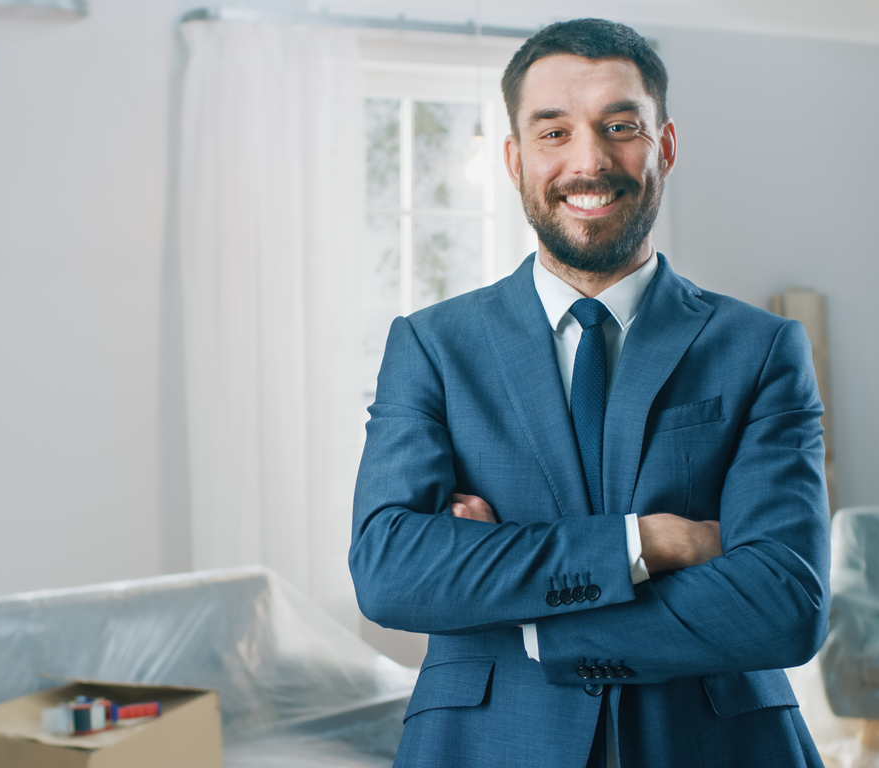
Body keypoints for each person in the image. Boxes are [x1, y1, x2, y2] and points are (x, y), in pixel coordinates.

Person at [350, 17, 829, 768]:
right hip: (485, 743)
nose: (589, 161)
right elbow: (389, 572)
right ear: (513, 159)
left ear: (664, 146)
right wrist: (648, 542)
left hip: (714, 743)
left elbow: (783, 603)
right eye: (552, 133)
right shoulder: (432, 346)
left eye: (619, 126)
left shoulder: (759, 348)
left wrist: (531, 620)